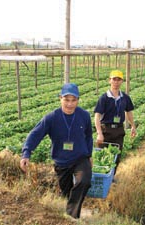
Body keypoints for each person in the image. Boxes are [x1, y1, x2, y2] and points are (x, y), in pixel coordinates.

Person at [20, 83, 93, 219]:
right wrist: (26, 153)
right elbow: (35, 134)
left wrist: (89, 154)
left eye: (73, 100)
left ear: (78, 100)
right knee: (66, 193)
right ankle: (70, 209)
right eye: (66, 99)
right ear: (60, 98)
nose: (70, 104)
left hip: (80, 157)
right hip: (62, 160)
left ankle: (71, 218)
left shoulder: (84, 115)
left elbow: (88, 136)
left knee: (84, 181)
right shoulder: (52, 117)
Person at [94, 70, 136, 175]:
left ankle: (111, 177)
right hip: (106, 130)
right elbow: (97, 116)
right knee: (103, 155)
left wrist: (133, 126)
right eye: (114, 79)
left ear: (122, 81)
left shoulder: (125, 97)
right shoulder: (104, 98)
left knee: (116, 155)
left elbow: (129, 112)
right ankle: (102, 177)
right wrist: (99, 133)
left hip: (118, 130)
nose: (116, 82)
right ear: (109, 81)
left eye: (119, 80)